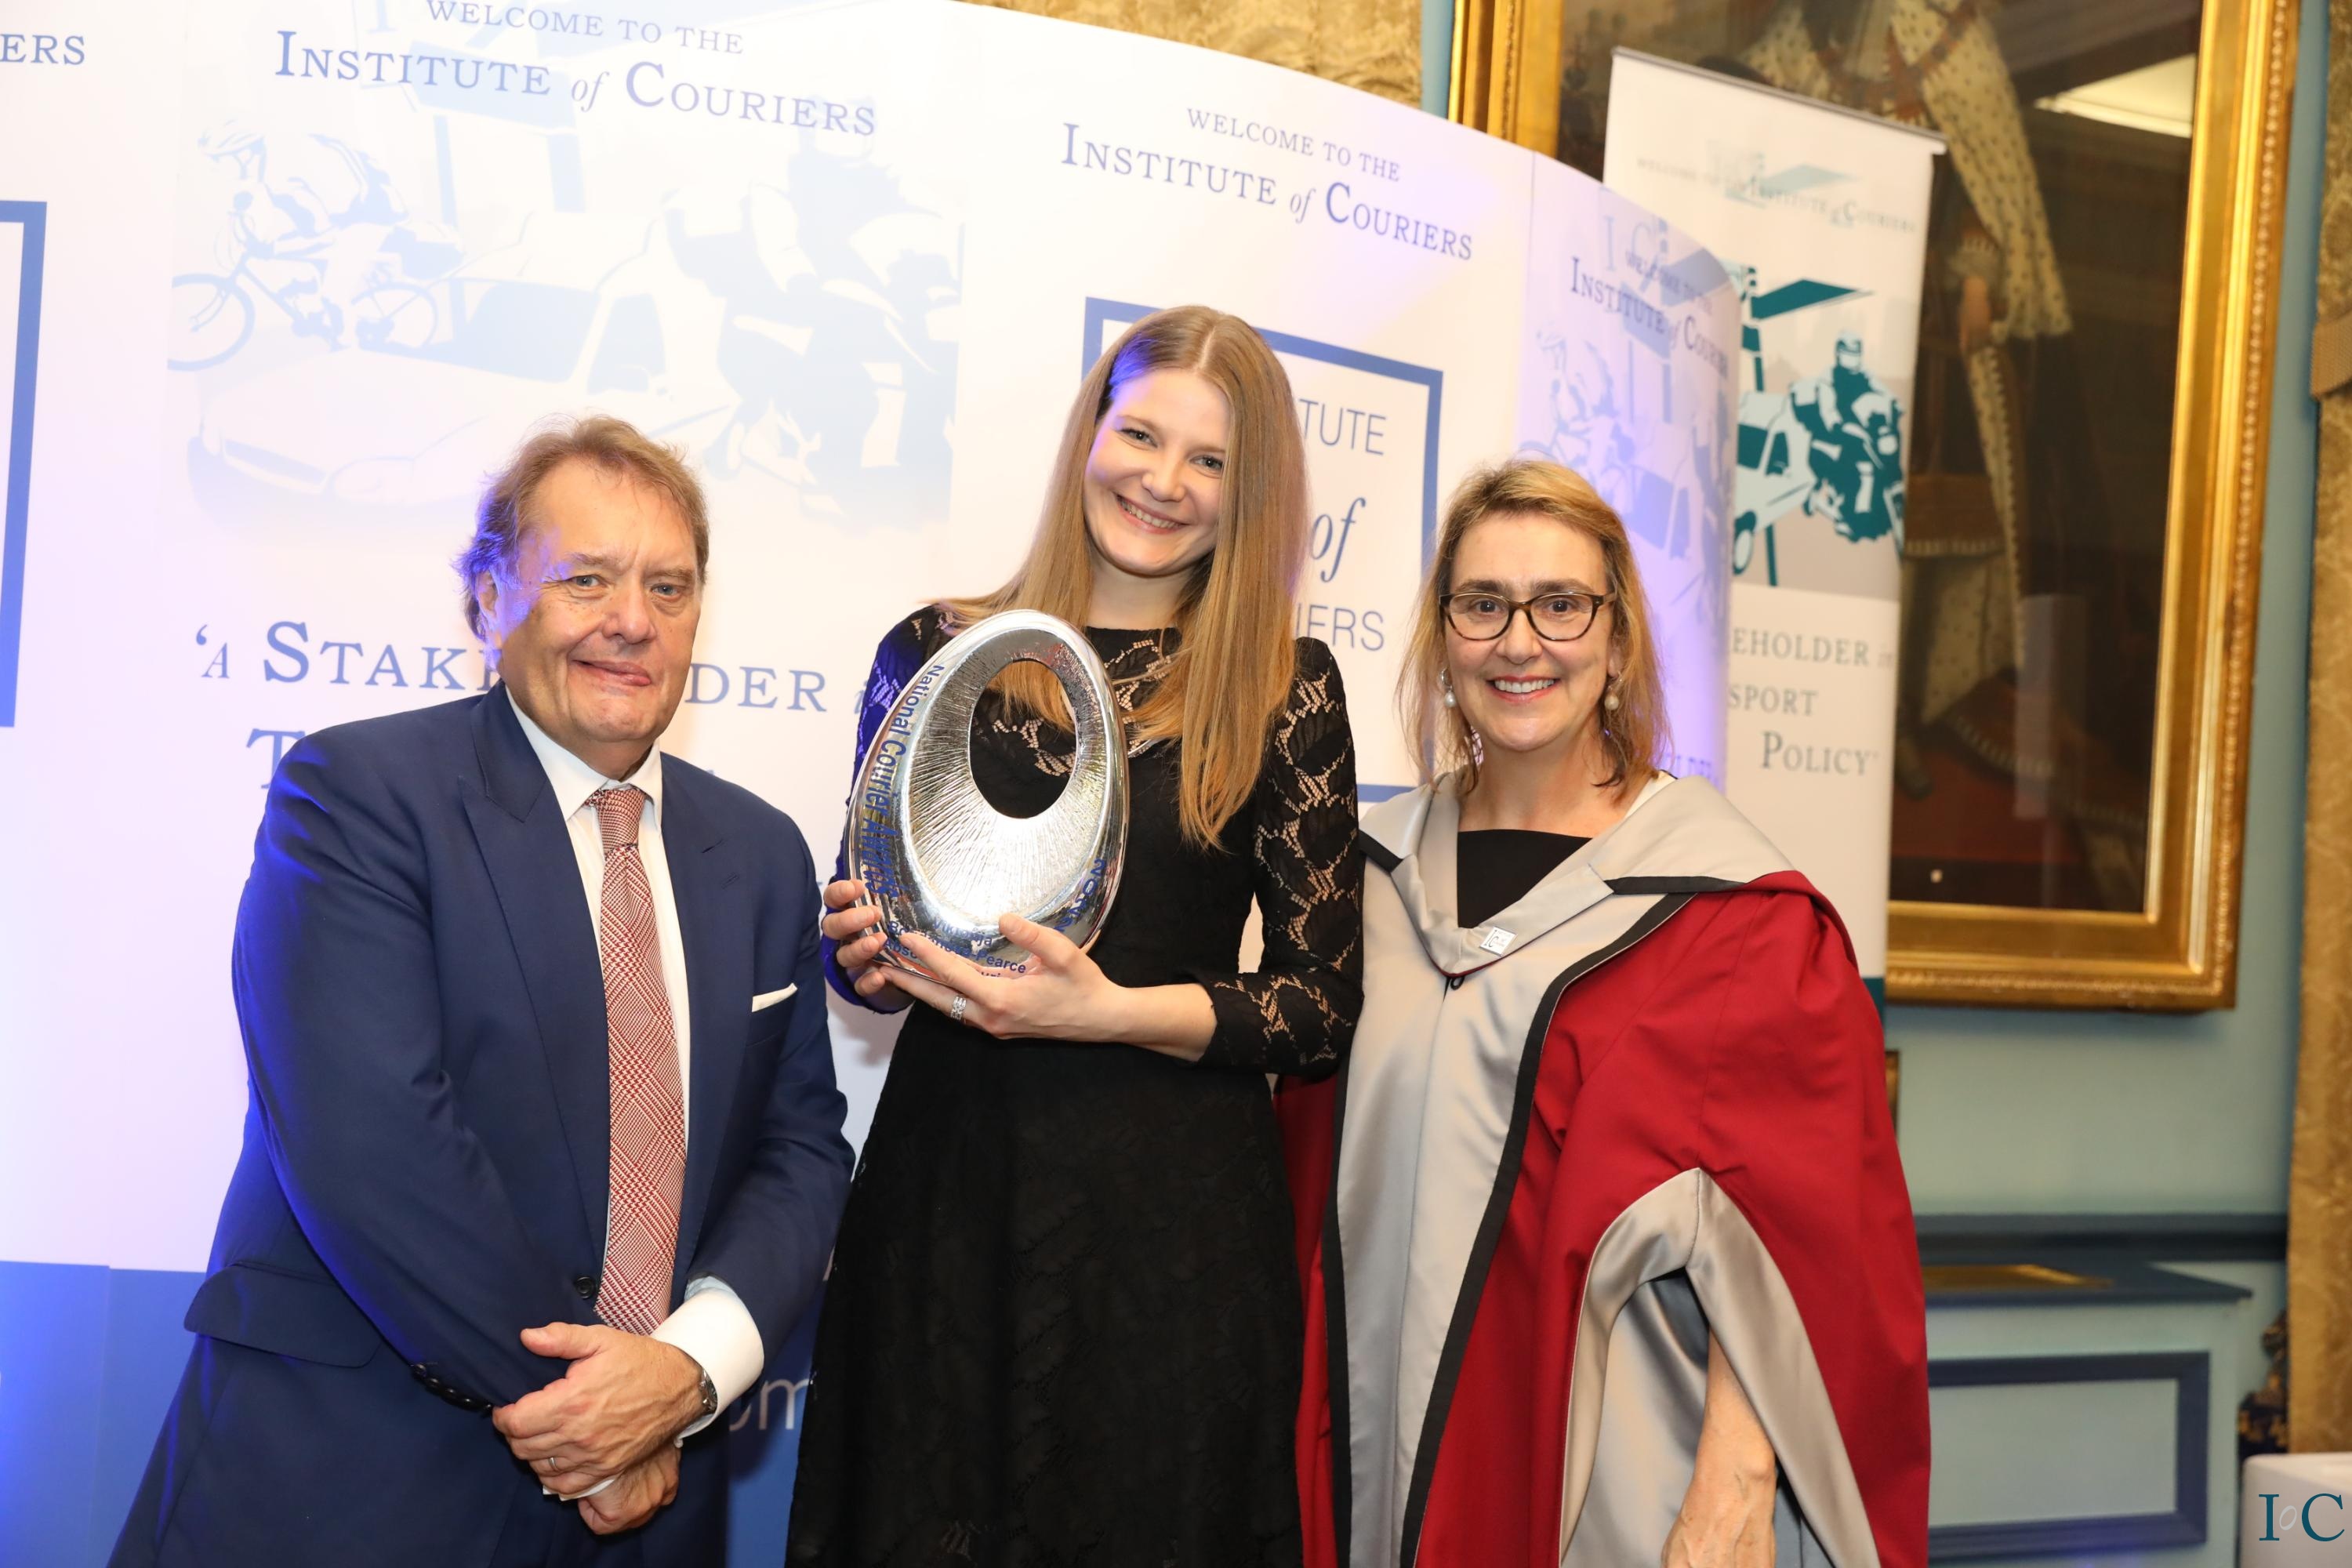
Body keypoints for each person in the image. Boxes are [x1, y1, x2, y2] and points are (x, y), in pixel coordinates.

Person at [111, 416, 855, 1566]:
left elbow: (800, 1150)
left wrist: (686, 1372)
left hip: (651, 1506)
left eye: (668, 586)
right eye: (586, 579)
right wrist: (596, 1423)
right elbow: (377, 1147)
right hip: (359, 1484)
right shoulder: (357, 796)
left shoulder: (759, 855)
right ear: (489, 598)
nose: (632, 620)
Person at [788, 305, 1363, 1567]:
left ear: (1251, 491)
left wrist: (1104, 1013)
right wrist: (861, 957)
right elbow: (863, 946)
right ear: (1090, 434)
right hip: (952, 1199)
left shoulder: (1285, 687)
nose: (1163, 481)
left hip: (1171, 1234)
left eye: (1209, 460)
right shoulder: (935, 650)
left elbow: (1320, 1009)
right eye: (1141, 435)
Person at [1281, 458, 1927, 1568]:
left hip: (1602, 1482)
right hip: (1355, 1466)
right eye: (1483, 604)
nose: (1520, 642)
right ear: (1444, 638)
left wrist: (1736, 1478)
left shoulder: (1737, 921)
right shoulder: (1355, 885)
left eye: (1562, 605)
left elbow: (1804, 1247)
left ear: (1618, 642)